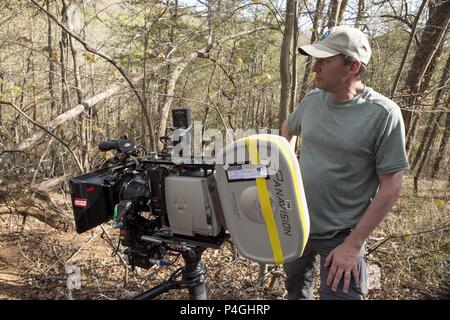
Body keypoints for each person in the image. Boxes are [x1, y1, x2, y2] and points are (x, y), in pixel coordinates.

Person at [281, 26, 409, 300]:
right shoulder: (312, 101)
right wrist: (286, 169)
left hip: (343, 236)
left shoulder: (384, 114)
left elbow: (391, 187)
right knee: (294, 292)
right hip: (299, 227)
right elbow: (287, 129)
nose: (314, 67)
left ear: (352, 67)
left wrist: (353, 246)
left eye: (324, 61)